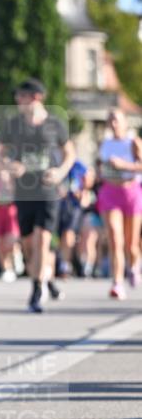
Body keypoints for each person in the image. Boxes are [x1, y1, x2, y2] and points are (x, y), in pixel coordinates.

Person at [0, 78, 75, 313]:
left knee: (43, 239)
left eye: (21, 96)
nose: (17, 100)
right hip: (24, 191)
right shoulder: (14, 124)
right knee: (29, 245)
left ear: (36, 98)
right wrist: (9, 168)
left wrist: (60, 172)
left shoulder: (55, 123)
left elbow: (70, 153)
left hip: (48, 190)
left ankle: (36, 290)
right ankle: (46, 279)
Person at [96, 109, 142, 298]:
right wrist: (99, 173)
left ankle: (133, 266)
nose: (113, 124)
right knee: (115, 238)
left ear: (125, 123)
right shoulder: (105, 144)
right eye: (111, 120)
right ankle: (117, 283)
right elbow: (99, 167)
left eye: (117, 120)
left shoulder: (133, 142)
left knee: (131, 244)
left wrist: (124, 166)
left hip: (131, 192)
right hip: (110, 192)